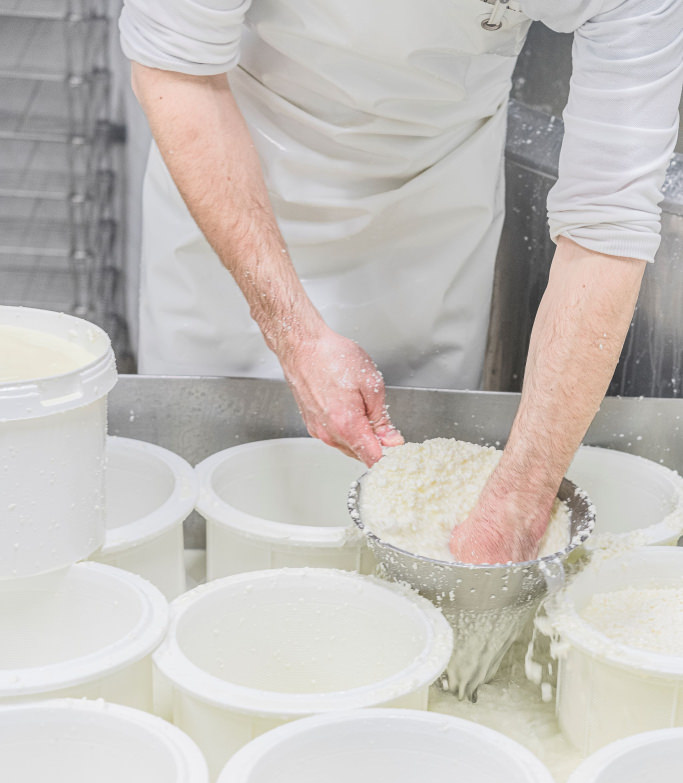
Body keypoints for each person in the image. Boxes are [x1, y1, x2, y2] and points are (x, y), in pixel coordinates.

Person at [119, 0, 683, 563]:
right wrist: (294, 332)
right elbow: (176, 64)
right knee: (202, 526)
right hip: (235, 153)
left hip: (436, 192)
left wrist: (520, 500)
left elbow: (609, 227)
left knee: (411, 510)